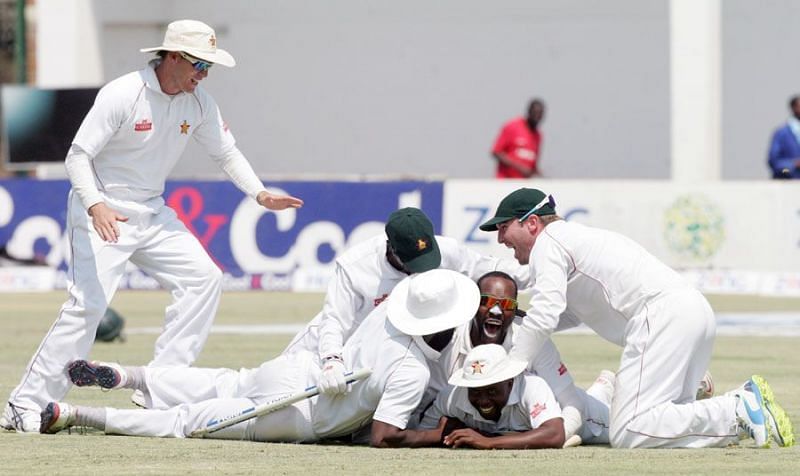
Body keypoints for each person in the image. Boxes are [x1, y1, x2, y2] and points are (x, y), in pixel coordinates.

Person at [1, 19, 303, 433]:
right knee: (87, 306)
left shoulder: (199, 104)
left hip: (152, 212)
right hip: (103, 209)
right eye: (199, 65)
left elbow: (227, 154)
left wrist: (259, 194)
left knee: (204, 278)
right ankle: (24, 405)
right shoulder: (124, 93)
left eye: (209, 68)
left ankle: (159, 388)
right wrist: (96, 205)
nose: (204, 74)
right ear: (174, 57)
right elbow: (77, 156)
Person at [478, 187, 796, 449]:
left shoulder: (549, 244)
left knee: (629, 430)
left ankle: (738, 407)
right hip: (693, 311)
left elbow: (546, 312)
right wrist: (518, 319)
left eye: (504, 227)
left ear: (532, 223)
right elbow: (570, 314)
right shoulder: (572, 240)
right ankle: (740, 421)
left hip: (661, 317)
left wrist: (512, 364)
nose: (500, 239)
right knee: (668, 421)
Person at [38, 269, 477, 447]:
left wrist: (330, 361)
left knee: (227, 381)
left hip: (297, 369)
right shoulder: (412, 371)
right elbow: (384, 436)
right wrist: (439, 433)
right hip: (300, 414)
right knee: (186, 422)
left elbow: (334, 326)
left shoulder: (391, 307)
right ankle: (76, 413)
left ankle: (129, 375)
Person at [282, 207, 529, 396]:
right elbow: (335, 321)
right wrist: (331, 361)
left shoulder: (448, 250)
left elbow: (494, 269)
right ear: (391, 248)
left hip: (400, 348)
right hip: (338, 348)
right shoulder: (355, 266)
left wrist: (551, 272)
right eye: (412, 263)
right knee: (281, 381)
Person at [417, 271, 613, 447]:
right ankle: (602, 388)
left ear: (516, 310)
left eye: (507, 304)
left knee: (623, 429)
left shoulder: (534, 341)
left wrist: (559, 436)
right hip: (503, 423)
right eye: (487, 301)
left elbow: (571, 404)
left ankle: (602, 392)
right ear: (472, 304)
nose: (496, 311)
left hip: (562, 415)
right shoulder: (448, 338)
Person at [420, 344, 565, 449]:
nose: (483, 401)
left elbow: (555, 434)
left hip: (585, 422)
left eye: (492, 391)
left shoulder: (531, 386)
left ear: (509, 382)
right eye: (475, 391)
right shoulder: (452, 395)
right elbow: (424, 431)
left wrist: (488, 442)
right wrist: (444, 433)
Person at [491, 98, 546, 178]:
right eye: (535, 113)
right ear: (529, 112)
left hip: (523, 184)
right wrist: (519, 168)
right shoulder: (513, 126)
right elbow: (496, 152)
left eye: (539, 114)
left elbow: (532, 164)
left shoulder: (538, 135)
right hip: (505, 182)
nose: (537, 117)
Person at [767, 95, 800, 179]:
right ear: (793, 108)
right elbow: (773, 162)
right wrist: (794, 164)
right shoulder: (782, 134)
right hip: (789, 183)